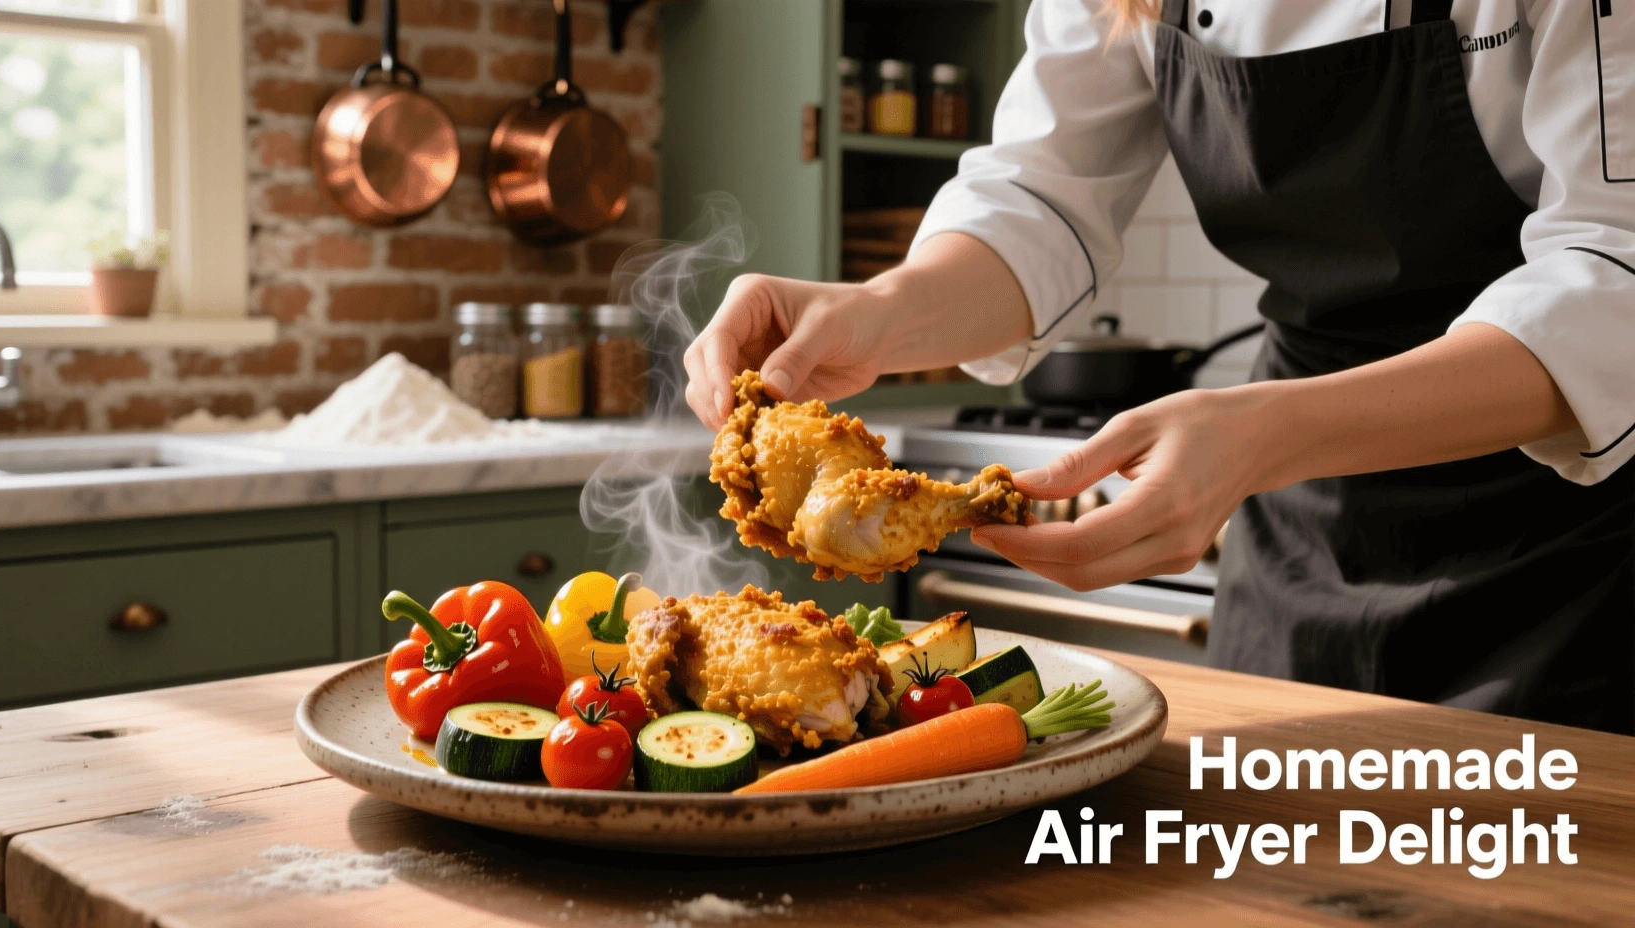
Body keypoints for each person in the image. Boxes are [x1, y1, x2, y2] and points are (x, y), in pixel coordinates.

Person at [683, 0, 1634, 733]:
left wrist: (1267, 434)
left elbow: (1614, 269)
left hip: (1562, 549)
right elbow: (1040, 201)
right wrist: (878, 314)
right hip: (1300, 532)